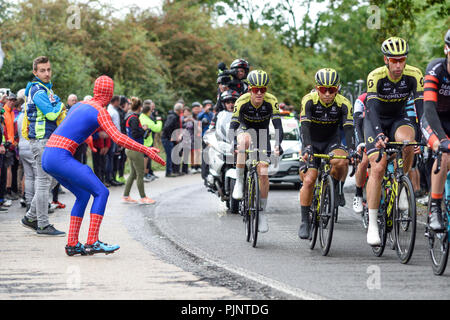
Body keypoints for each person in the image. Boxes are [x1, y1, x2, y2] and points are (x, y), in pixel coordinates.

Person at [41, 75, 165, 256]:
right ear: (109, 94)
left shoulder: (78, 105)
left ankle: (73, 244)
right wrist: (145, 149)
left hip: (48, 155)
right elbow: (118, 138)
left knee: (83, 195)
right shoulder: (100, 110)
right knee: (101, 192)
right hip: (61, 156)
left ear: (94, 90)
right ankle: (92, 241)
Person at [364, 37, 424, 246]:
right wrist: (379, 135)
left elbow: (421, 108)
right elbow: (370, 110)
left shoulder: (414, 74)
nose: (398, 65)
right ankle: (372, 224)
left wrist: (424, 135)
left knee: (408, 142)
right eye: (394, 60)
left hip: (399, 119)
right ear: (386, 60)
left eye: (402, 60)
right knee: (378, 168)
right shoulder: (376, 76)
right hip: (375, 121)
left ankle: (401, 184)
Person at [298, 68, 355, 239]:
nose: (328, 94)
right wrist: (307, 147)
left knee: (342, 161)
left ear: (338, 89)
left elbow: (348, 128)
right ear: (317, 88)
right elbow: (305, 126)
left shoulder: (344, 103)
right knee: (308, 180)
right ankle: (304, 221)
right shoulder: (309, 100)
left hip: (332, 142)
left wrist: (352, 149)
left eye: (332, 90)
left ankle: (335, 188)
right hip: (312, 143)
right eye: (323, 89)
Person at [230, 69, 283, 233]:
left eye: (263, 89)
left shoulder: (271, 101)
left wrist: (278, 144)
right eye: (255, 89)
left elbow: (278, 126)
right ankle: (239, 182)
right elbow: (233, 125)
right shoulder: (242, 101)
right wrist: (233, 143)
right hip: (245, 130)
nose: (259, 93)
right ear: (249, 89)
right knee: (243, 141)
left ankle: (262, 212)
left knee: (264, 172)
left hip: (262, 134)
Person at [21, 56, 66, 236]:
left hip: (46, 139)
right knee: (43, 181)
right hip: (41, 140)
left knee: (53, 178)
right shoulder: (38, 91)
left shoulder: (46, 89)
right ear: (35, 72)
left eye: (48, 69)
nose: (46, 73)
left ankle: (31, 217)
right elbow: (51, 115)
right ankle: (42, 224)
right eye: (42, 70)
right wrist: (61, 104)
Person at [420, 29, 450, 231]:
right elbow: (429, 108)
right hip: (433, 120)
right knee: (445, 154)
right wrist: (442, 139)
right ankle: (434, 209)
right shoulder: (436, 69)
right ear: (447, 49)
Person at [122, 97, 156, 205]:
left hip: (129, 148)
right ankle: (143, 197)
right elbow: (136, 133)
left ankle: (126, 196)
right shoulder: (134, 118)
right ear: (140, 107)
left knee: (133, 174)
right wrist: (144, 130)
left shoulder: (128, 116)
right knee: (140, 174)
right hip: (135, 149)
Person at [352, 92, 369, 214]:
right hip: (364, 131)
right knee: (364, 161)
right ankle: (358, 193)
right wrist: (360, 143)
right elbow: (357, 124)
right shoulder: (361, 99)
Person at [139, 100, 163, 181]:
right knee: (146, 159)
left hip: (144, 141)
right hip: (147, 142)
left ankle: (147, 174)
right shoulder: (147, 119)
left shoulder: (141, 116)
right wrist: (159, 121)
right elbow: (157, 128)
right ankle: (144, 175)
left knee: (146, 159)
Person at [162, 103, 183, 177]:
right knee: (170, 155)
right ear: (180, 110)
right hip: (167, 139)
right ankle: (168, 172)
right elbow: (166, 127)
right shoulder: (172, 117)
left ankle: (174, 171)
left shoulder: (175, 116)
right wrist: (171, 137)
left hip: (171, 139)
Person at [106, 95, 123, 186]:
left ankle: (109, 178)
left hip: (110, 137)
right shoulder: (113, 112)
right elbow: (117, 127)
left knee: (110, 158)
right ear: (115, 101)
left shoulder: (109, 110)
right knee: (111, 158)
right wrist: (119, 139)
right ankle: (110, 178)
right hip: (113, 137)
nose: (119, 103)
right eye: (119, 101)